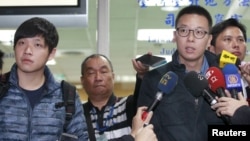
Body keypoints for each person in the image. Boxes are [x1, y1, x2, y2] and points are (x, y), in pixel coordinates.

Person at [137, 5, 226, 141]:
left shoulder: (224, 77)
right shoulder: (154, 79)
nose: (190, 38)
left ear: (209, 40)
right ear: (175, 36)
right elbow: (143, 130)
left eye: (199, 32)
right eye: (184, 30)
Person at [0, 17, 88, 140]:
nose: (27, 50)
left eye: (37, 44)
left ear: (51, 53)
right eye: (22, 43)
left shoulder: (66, 96)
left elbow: (81, 138)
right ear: (14, 48)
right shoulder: (2, 90)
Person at [80, 53, 148, 141]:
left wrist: (142, 75)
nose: (98, 77)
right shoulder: (77, 115)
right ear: (82, 80)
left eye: (103, 71)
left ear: (113, 77)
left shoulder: (128, 105)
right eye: (91, 73)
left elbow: (143, 96)